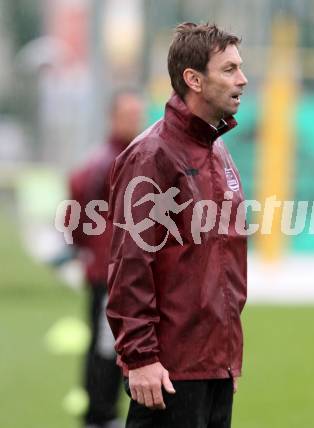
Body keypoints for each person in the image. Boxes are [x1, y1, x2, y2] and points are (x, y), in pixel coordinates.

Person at [106, 22, 248, 428]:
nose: (243, 79)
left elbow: (223, 262)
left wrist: (226, 356)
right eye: (229, 69)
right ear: (193, 79)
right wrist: (141, 358)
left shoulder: (217, 150)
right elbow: (129, 264)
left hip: (213, 368)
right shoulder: (151, 155)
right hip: (167, 373)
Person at [68, 89, 144, 428]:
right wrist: (92, 250)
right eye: (127, 114)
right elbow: (77, 196)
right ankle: (99, 415)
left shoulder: (132, 155)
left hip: (123, 272)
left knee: (114, 343)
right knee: (105, 345)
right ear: (113, 117)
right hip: (108, 274)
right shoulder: (106, 161)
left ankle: (103, 412)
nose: (134, 121)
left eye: (137, 114)